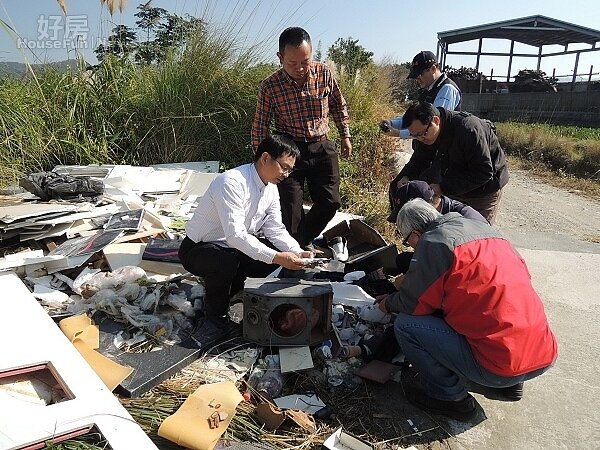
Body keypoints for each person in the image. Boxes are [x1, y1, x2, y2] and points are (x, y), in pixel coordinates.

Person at [377, 199, 558, 421]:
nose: (411, 247)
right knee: (496, 307)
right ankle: (510, 386)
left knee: (406, 325)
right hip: (541, 355)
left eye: (408, 241)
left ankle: (451, 399)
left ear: (415, 234)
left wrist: (388, 303)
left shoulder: (435, 242)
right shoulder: (486, 231)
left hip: (500, 366)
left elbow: (412, 303)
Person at [179, 134, 314, 339]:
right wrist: (278, 258)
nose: (286, 175)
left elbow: (275, 229)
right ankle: (214, 316)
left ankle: (232, 292)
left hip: (233, 249)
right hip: (199, 248)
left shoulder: (270, 188)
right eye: (284, 167)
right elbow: (235, 235)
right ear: (265, 158)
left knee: (275, 252)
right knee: (226, 262)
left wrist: (297, 251)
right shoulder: (231, 182)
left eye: (290, 170)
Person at [251, 27, 352, 248]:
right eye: (292, 63)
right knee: (291, 210)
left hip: (322, 146)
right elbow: (260, 124)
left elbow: (338, 105)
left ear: (311, 54)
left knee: (330, 202)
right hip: (289, 151)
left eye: (305, 62)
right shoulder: (270, 86)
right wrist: (262, 163)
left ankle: (300, 242)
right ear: (280, 58)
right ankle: (296, 249)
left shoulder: (324, 73)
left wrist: (345, 135)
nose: (299, 68)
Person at [395, 102, 509, 224]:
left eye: (423, 134)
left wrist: (443, 188)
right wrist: (407, 176)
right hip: (454, 183)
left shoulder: (468, 129)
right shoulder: (424, 133)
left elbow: (483, 172)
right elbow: (420, 159)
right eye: (415, 136)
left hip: (484, 189)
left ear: (436, 120)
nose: (421, 139)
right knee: (449, 226)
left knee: (476, 229)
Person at [381, 51, 461, 210]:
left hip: (437, 156)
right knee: (397, 187)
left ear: (433, 69)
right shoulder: (428, 90)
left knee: (422, 197)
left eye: (420, 74)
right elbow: (413, 119)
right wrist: (391, 123)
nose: (417, 78)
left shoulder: (447, 90)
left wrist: (399, 134)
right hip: (424, 152)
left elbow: (430, 127)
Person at [389, 180, 488, 277]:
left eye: (409, 217)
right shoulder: (439, 219)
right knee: (404, 260)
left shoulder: (467, 219)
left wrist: (406, 282)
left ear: (423, 207)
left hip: (474, 272)